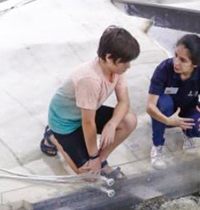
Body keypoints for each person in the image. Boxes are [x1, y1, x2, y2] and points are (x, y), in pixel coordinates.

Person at [40, 26, 139, 179]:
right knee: (89, 176)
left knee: (129, 120)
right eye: (125, 62)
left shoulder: (116, 70)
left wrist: (112, 124)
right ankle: (52, 136)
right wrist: (91, 158)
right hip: (65, 122)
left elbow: (124, 102)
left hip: (87, 111)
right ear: (108, 57)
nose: (129, 66)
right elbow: (88, 123)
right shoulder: (90, 79)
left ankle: (102, 160)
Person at [146, 34, 200, 169]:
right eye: (175, 55)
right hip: (165, 113)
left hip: (187, 109)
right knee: (164, 103)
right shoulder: (164, 69)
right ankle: (157, 147)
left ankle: (188, 135)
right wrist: (168, 121)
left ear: (195, 64)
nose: (176, 62)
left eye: (183, 60)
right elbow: (150, 106)